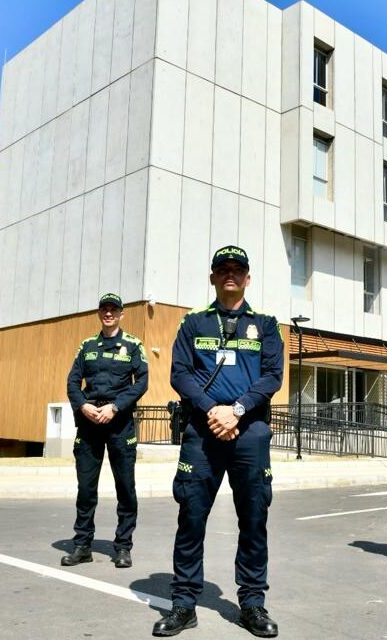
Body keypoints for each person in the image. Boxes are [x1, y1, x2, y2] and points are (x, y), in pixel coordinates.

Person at [153, 246, 284, 638]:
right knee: (191, 517)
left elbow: (272, 376)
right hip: (202, 433)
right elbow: (180, 373)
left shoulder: (266, 325)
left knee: (254, 519)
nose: (230, 275)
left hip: (250, 433)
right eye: (222, 269)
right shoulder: (194, 324)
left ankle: (253, 604)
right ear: (212, 277)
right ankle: (183, 603)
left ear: (248, 277)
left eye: (237, 270)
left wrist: (238, 410)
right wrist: (213, 410)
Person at [61, 293, 148, 569]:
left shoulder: (133, 345)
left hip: (119, 423)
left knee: (125, 487)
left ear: (122, 313)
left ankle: (122, 547)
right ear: (99, 313)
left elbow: (142, 382)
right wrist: (83, 406)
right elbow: (73, 382)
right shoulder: (87, 346)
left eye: (114, 309)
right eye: (104, 309)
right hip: (89, 423)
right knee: (86, 489)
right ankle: (82, 545)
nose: (109, 313)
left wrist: (116, 407)